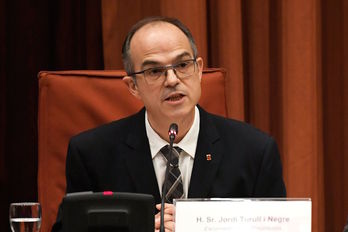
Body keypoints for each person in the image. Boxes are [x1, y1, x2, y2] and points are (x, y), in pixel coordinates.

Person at [52, 16, 286, 232]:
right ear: (133, 86)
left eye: (183, 65)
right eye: (155, 71)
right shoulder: (92, 154)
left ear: (199, 69)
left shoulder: (255, 152)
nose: (172, 80)